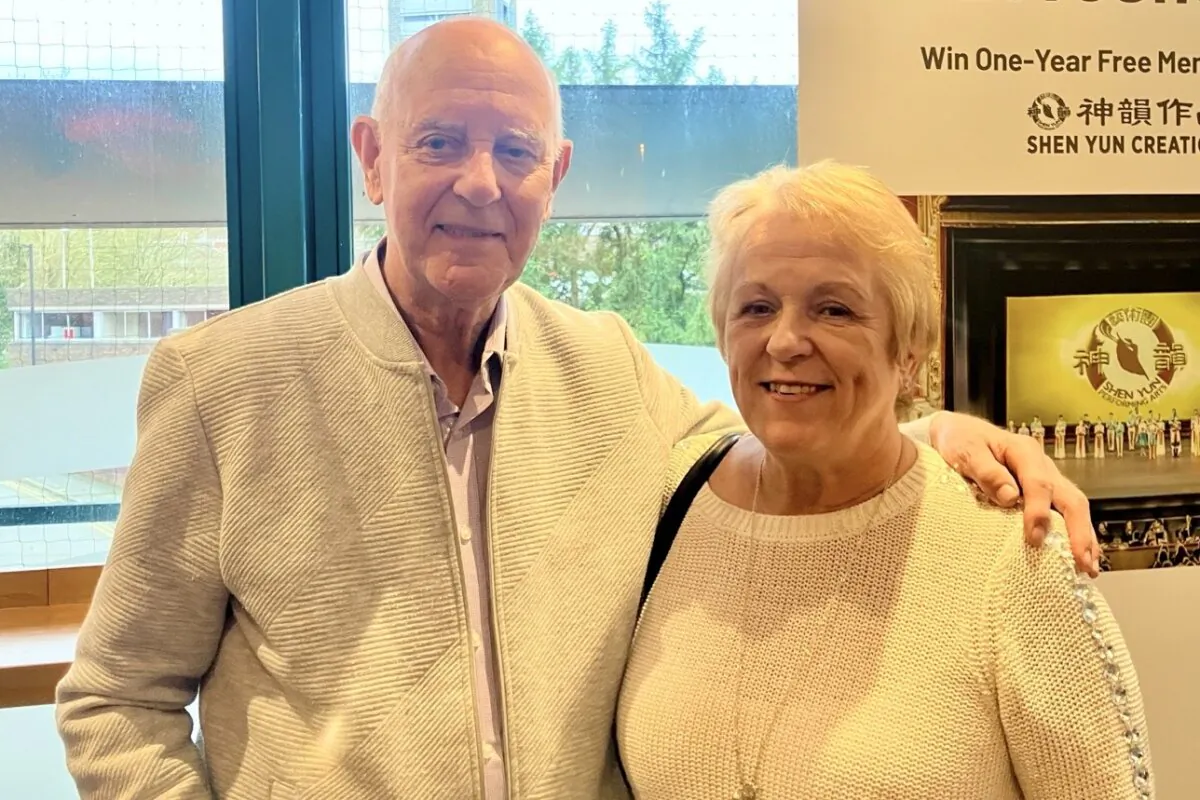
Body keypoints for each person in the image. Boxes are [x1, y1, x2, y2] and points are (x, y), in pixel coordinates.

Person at [54, 19, 1099, 800]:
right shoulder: (222, 383)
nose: (481, 181)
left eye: (515, 152)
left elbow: (776, 442)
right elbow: (116, 699)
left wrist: (938, 432)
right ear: (372, 156)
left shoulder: (610, 370)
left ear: (554, 176)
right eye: (440, 142)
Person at [617, 162, 1151, 799]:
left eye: (834, 309)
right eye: (755, 307)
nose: (785, 341)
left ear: (910, 348)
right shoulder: (667, 505)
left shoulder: (1013, 560)